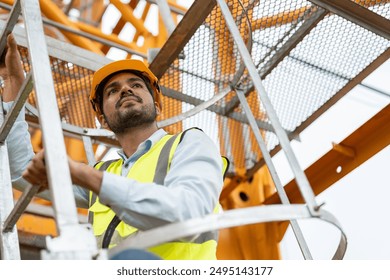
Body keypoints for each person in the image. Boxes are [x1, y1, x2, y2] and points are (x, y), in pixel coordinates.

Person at [3, 33, 227, 260]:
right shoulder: (103, 172)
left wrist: (85, 175)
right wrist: (13, 83)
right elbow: (21, 170)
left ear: (157, 105)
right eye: (112, 91)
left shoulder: (190, 143)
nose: (126, 90)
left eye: (136, 85)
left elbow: (189, 215)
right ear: (102, 118)